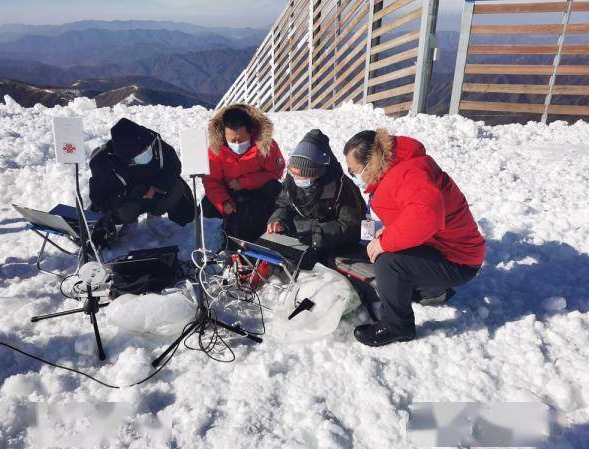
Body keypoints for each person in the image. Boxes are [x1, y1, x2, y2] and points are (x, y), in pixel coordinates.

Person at [343, 129, 485, 347]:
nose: (355, 177)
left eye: (355, 171)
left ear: (371, 163)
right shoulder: (398, 168)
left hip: (458, 260)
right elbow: (410, 213)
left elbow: (426, 215)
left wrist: (385, 242)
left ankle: (397, 327)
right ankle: (430, 290)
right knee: (384, 250)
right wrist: (389, 232)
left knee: (389, 263)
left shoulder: (409, 173)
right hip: (443, 247)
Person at [89, 118, 194, 246]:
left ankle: (155, 216)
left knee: (177, 187)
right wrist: (127, 195)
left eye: (147, 148)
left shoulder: (155, 144)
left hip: (155, 193)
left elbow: (174, 167)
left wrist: (157, 187)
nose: (146, 152)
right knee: (125, 211)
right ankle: (130, 222)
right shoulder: (103, 164)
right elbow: (99, 199)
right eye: (141, 153)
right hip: (128, 201)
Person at [266, 129, 366, 262]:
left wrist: (316, 234)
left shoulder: (341, 187)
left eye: (303, 175)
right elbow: (284, 205)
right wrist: (278, 220)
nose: (297, 179)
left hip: (332, 247)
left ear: (318, 172)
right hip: (299, 240)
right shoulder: (291, 181)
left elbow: (351, 226)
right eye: (294, 174)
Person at [202, 104, 285, 242]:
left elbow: (276, 172)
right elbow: (212, 180)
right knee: (208, 206)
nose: (236, 143)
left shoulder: (266, 145)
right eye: (231, 140)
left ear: (251, 132)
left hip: (260, 191)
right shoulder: (216, 149)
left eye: (240, 140)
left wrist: (245, 182)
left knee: (274, 191)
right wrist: (223, 202)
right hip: (231, 192)